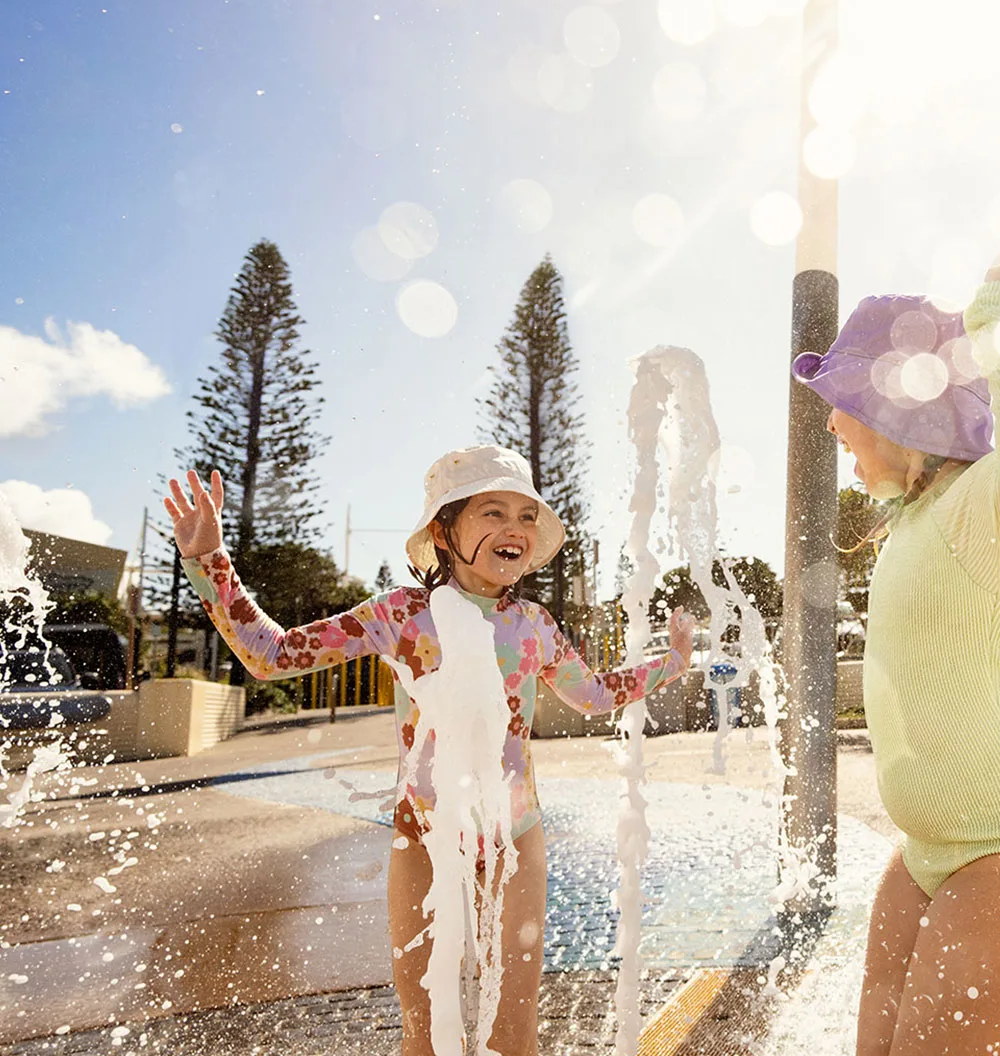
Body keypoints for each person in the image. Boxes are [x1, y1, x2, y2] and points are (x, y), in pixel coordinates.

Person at [163, 446, 694, 1056]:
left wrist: (673, 663)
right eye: (492, 511)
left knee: (514, 1030)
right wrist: (209, 560)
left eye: (526, 515)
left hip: (515, 838)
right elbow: (272, 654)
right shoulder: (401, 615)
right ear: (444, 530)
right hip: (421, 838)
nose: (514, 528)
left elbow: (594, 695)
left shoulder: (535, 626)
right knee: (427, 1032)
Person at [794, 230, 1000, 1055]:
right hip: (924, 851)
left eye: (847, 401)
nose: (831, 422)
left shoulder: (985, 508)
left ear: (900, 411)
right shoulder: (917, 522)